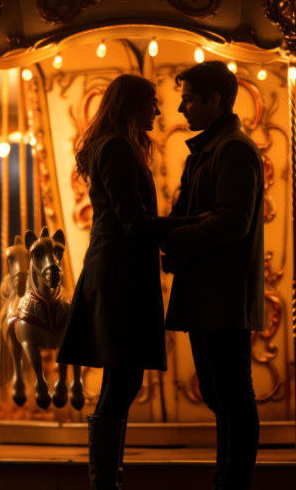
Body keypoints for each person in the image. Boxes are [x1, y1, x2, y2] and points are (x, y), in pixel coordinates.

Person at [58, 73, 195, 490]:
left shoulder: (117, 147)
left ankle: (108, 478)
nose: (157, 110)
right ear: (131, 104)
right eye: (151, 102)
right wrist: (190, 225)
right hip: (120, 275)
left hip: (121, 271)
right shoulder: (117, 148)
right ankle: (105, 481)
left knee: (125, 378)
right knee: (124, 377)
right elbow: (132, 222)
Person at [161, 61, 265, 489]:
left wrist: (174, 239)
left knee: (232, 394)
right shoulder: (210, 149)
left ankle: (233, 481)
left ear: (214, 100)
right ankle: (226, 477)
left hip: (222, 293)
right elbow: (194, 214)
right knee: (218, 392)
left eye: (188, 98)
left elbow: (232, 221)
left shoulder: (233, 149)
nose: (181, 107)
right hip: (208, 292)